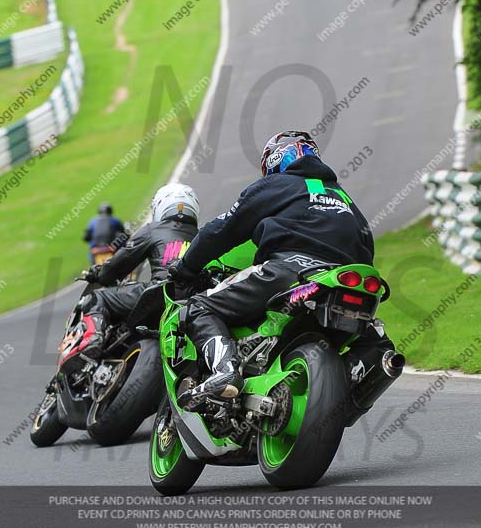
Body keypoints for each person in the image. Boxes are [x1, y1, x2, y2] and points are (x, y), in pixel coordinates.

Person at [169, 130, 394, 408]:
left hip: (289, 271)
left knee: (198, 308)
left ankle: (225, 371)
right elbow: (366, 246)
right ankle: (342, 399)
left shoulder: (276, 185)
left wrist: (185, 269)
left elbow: (221, 230)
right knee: (381, 347)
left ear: (274, 160)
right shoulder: (345, 199)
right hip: (347, 281)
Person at [59, 184, 200, 374]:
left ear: (161, 206)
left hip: (160, 294)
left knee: (98, 298)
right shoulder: (202, 236)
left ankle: (92, 338)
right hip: (193, 305)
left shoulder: (153, 229)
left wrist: (100, 273)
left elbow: (119, 263)